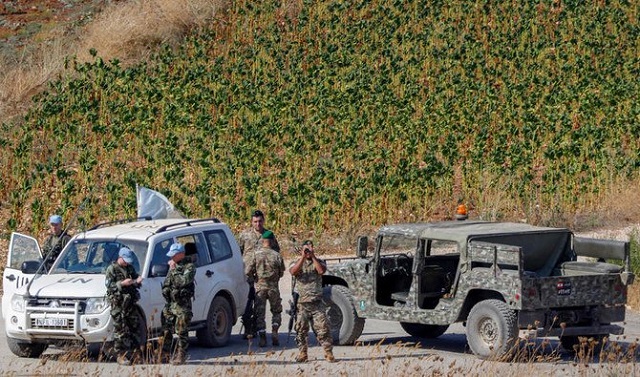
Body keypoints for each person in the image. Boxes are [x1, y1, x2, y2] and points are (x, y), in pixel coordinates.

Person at [289, 240, 335, 362]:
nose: (308, 251)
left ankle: (328, 353)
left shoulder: (318, 261)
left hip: (317, 303)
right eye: (306, 249)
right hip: (302, 304)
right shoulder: (296, 262)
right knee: (301, 330)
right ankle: (303, 353)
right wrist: (303, 258)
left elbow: (321, 271)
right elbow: (293, 272)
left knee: (323, 329)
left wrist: (313, 256)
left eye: (310, 248)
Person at [238, 209, 280, 339]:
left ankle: (258, 327)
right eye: (255, 221)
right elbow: (239, 252)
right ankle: (249, 328)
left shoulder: (269, 235)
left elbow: (276, 253)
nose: (258, 224)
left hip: (263, 275)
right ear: (251, 222)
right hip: (248, 275)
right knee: (248, 302)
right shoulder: (244, 235)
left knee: (261, 303)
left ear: (264, 220)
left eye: (260, 221)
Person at [245, 230, 285, 347]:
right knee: (276, 311)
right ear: (272, 241)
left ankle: (262, 338)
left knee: (260, 314)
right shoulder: (277, 255)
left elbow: (247, 271)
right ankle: (275, 331)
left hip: (260, 288)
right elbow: (282, 272)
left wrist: (255, 278)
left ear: (263, 241)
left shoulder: (255, 255)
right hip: (273, 287)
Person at [105, 247, 143, 365]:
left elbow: (136, 279)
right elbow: (109, 285)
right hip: (118, 304)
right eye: (125, 260)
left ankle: (135, 353)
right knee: (120, 330)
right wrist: (122, 283)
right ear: (120, 257)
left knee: (134, 328)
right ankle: (121, 355)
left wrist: (137, 281)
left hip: (130, 303)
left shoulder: (130, 268)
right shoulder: (112, 269)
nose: (127, 263)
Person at [161, 242, 196, 365]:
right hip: (171, 304)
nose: (171, 257)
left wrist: (174, 270)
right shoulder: (173, 266)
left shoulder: (189, 267)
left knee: (182, 331)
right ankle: (164, 354)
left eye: (174, 255)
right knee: (166, 329)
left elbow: (183, 281)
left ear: (181, 254)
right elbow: (167, 283)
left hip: (182, 305)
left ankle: (181, 355)